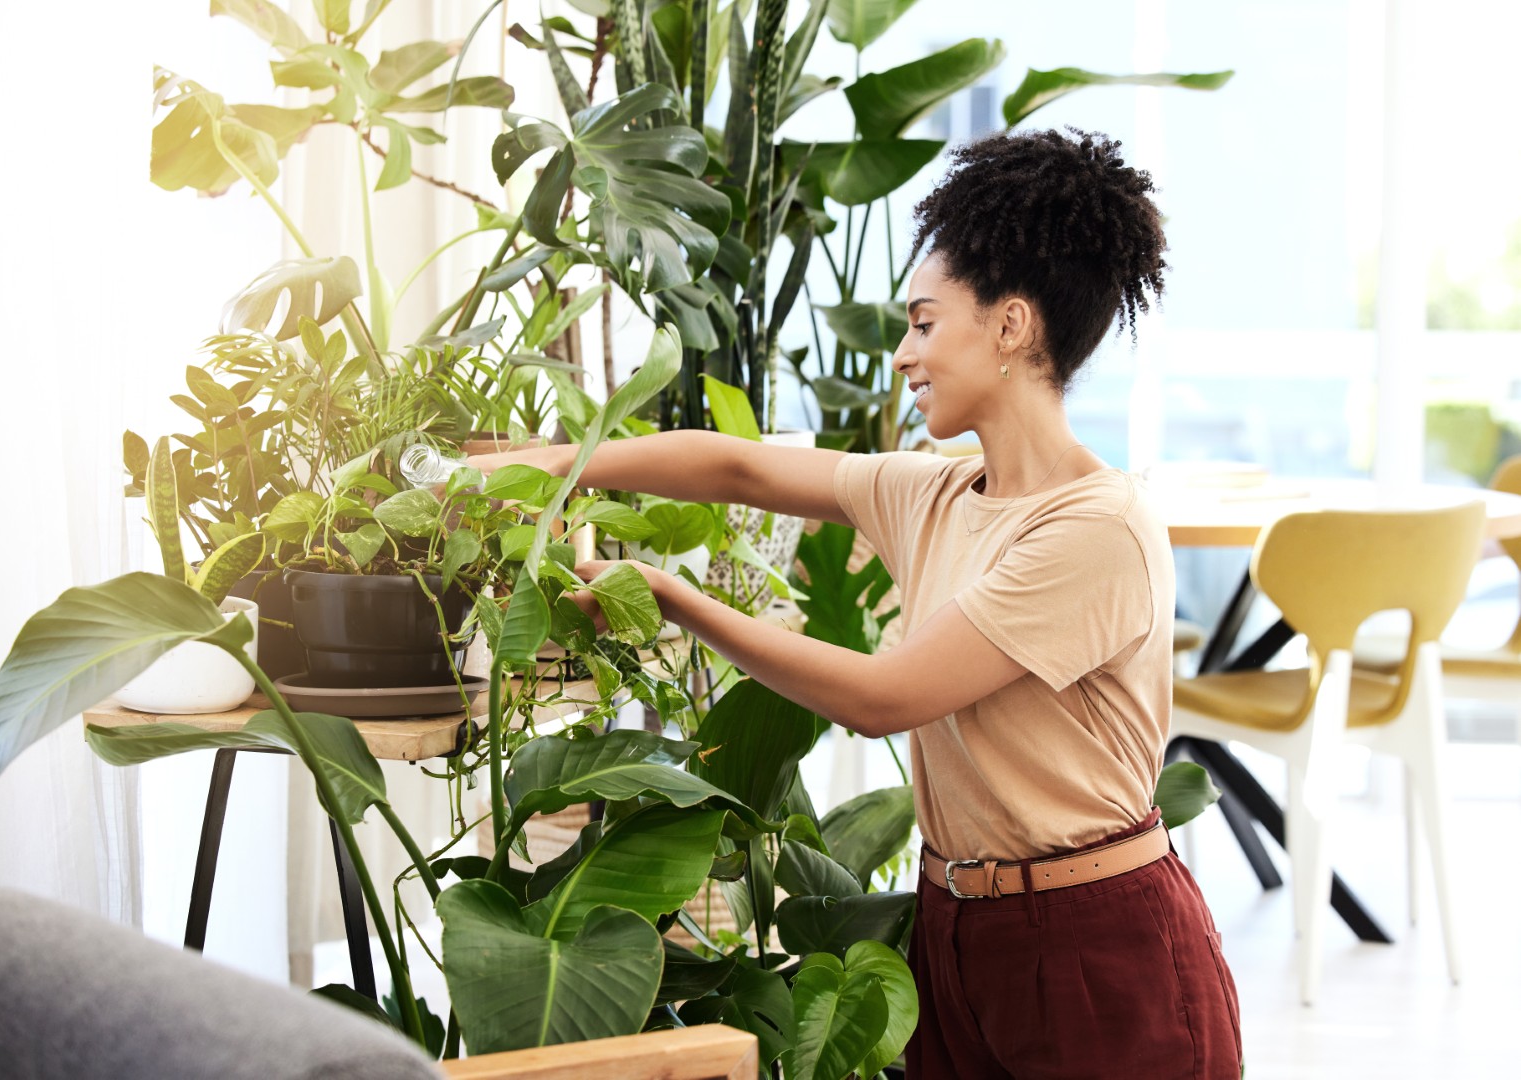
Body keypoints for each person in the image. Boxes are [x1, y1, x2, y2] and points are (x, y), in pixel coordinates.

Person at [461, 127, 1241, 1079]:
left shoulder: (1096, 528)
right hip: (956, 924)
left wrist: (673, 602)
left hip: (1094, 942)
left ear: (1009, 327)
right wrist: (556, 466)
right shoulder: (938, 492)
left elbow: (884, 697)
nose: (907, 354)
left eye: (924, 322)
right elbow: (740, 465)